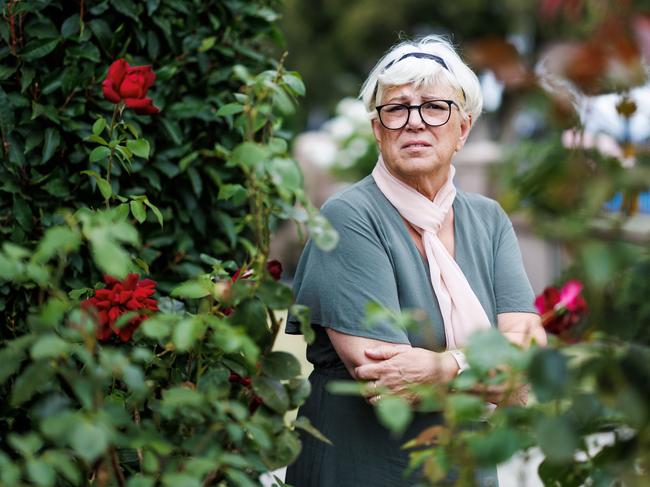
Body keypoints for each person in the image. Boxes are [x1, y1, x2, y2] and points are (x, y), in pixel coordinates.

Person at [285, 35, 547, 487]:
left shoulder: (488, 219)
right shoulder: (348, 218)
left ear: (462, 128)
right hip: (359, 469)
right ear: (377, 128)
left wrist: (447, 367)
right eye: (397, 108)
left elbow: (529, 363)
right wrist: (493, 369)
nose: (414, 123)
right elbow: (388, 382)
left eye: (434, 107)